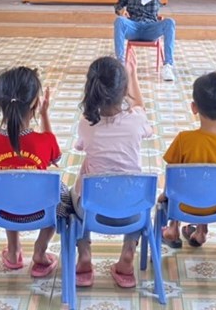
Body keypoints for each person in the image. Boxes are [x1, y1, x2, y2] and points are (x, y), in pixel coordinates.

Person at [72, 50, 152, 289]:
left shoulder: (86, 124)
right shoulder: (137, 120)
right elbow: (140, 106)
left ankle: (84, 253)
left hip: (91, 212)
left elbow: (81, 146)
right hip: (132, 212)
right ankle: (127, 254)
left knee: (72, 193)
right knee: (140, 195)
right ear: (124, 90)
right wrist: (133, 75)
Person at [0, 66, 61, 278]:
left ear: (0, 104)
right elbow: (55, 157)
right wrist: (45, 115)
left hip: (3, 212)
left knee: (7, 188)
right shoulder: (45, 140)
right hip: (41, 212)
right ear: (35, 103)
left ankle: (13, 250)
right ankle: (40, 250)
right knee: (61, 195)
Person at [160, 72, 216, 248]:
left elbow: (171, 175)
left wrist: (164, 194)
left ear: (194, 108)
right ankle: (201, 232)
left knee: (178, 190)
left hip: (183, 206)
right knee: (210, 183)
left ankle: (172, 229)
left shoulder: (183, 139)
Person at [113, 0, 175, 82]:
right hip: (133, 26)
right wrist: (121, 11)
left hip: (151, 28)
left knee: (170, 22)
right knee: (119, 21)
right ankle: (121, 65)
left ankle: (168, 66)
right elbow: (118, 5)